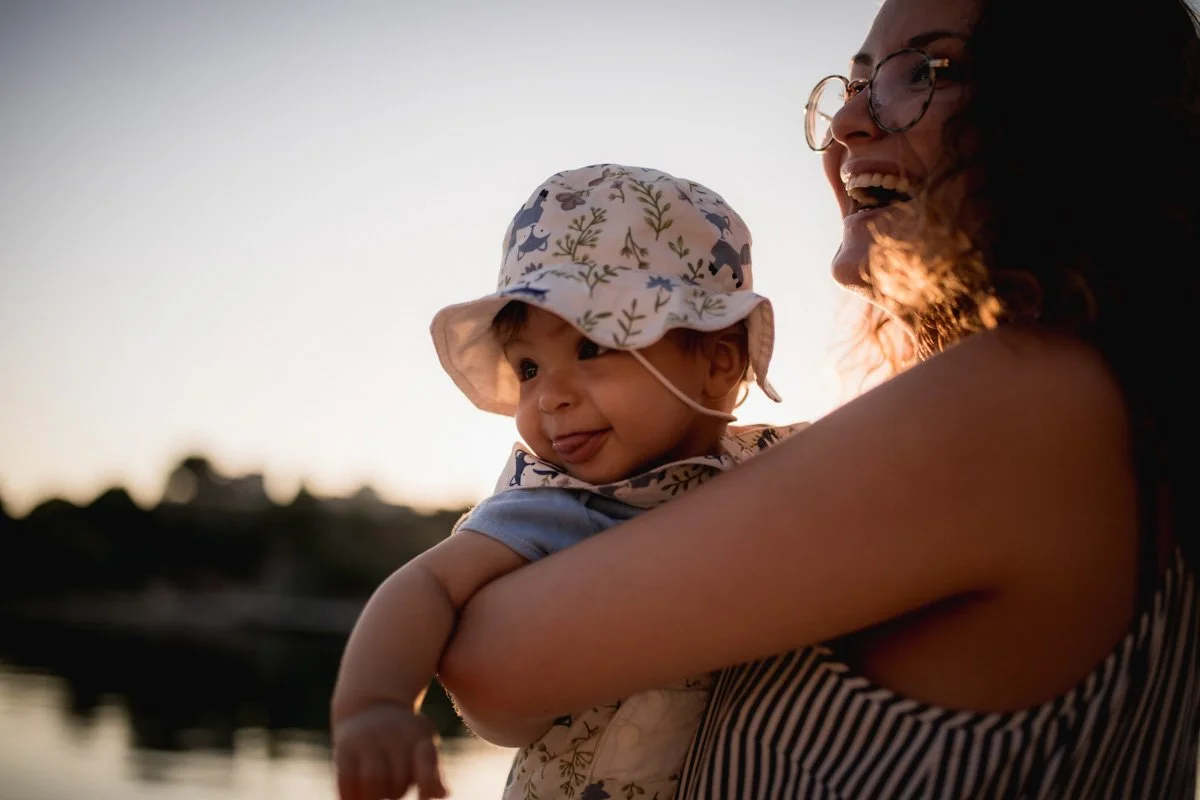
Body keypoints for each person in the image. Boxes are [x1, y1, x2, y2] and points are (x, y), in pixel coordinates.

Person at [434, 0, 1200, 797]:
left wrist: (526, 525)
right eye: (854, 82)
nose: (848, 124)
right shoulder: (1108, 407)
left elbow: (496, 663)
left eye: (918, 72)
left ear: (1068, 112)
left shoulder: (1027, 402)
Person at [329, 163, 804, 800]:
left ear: (719, 361)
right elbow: (429, 584)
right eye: (527, 367)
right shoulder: (560, 503)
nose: (549, 397)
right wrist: (376, 704)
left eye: (590, 348)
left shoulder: (777, 472)